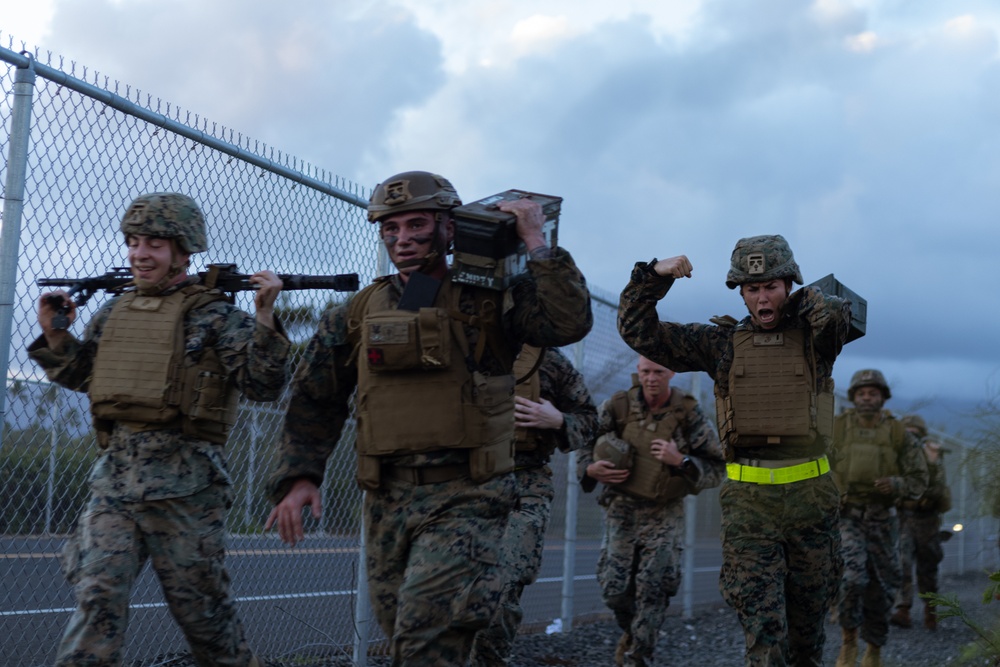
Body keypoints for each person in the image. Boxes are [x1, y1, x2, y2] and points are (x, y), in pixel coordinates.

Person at [264, 171, 592, 665]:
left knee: (425, 641)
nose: (403, 238)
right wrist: (301, 475)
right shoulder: (358, 311)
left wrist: (535, 242)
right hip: (386, 499)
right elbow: (315, 396)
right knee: (406, 640)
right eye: (390, 229)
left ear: (450, 227)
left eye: (417, 224)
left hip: (468, 497)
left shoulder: (494, 300)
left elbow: (568, 322)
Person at [28, 192, 289, 667]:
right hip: (116, 484)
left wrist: (265, 317)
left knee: (205, 620)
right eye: (133, 241)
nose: (139, 253)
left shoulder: (214, 314)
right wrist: (56, 335)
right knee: (97, 600)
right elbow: (89, 380)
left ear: (183, 252)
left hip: (186, 490)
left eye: (154, 243)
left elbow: (263, 384)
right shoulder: (115, 312)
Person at [617, 235, 853, 667]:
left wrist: (808, 300)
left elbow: (837, 316)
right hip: (749, 506)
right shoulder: (720, 344)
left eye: (771, 287)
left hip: (812, 503)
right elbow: (639, 332)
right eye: (752, 288)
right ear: (740, 293)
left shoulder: (818, 340)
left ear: (789, 286)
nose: (762, 298)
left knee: (807, 635)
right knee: (762, 633)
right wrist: (650, 278)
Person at [577, 356, 725, 667]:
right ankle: (633, 632)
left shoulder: (688, 413)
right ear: (638, 372)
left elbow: (718, 467)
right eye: (645, 371)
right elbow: (585, 440)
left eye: (659, 371)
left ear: (671, 372)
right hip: (621, 507)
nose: (651, 378)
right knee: (614, 589)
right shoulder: (617, 406)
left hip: (664, 511)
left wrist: (681, 461)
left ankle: (639, 655)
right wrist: (590, 469)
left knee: (653, 587)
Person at [469, 345, 598, 666]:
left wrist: (558, 420)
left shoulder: (550, 360)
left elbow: (591, 421)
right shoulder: (461, 345)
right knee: (448, 594)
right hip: (461, 484)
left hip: (524, 487)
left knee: (502, 592)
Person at [831, 370, 929, 667]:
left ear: (882, 397)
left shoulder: (897, 433)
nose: (866, 398)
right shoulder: (837, 428)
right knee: (850, 579)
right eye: (861, 393)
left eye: (872, 393)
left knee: (883, 588)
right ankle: (848, 642)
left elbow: (919, 478)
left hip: (884, 519)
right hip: (848, 517)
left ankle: (874, 648)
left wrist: (897, 484)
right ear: (853, 397)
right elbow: (817, 464)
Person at [890, 414, 952, 631]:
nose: (911, 439)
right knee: (903, 564)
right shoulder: (897, 458)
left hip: (927, 521)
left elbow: (940, 492)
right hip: (906, 519)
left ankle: (930, 610)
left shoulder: (933, 460)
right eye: (907, 434)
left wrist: (932, 463)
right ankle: (903, 609)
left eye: (915, 435)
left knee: (928, 567)